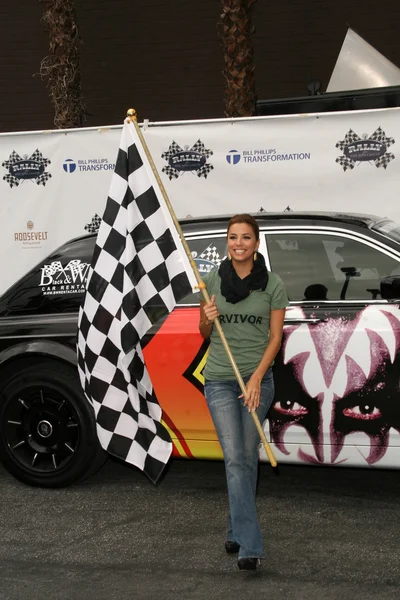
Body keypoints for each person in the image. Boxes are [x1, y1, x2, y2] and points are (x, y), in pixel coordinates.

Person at [199, 214, 288, 571]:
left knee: (246, 457)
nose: (239, 243)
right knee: (237, 457)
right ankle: (250, 546)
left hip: (258, 381)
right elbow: (205, 334)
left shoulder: (274, 285)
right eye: (233, 237)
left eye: (246, 237)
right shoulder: (212, 281)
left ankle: (236, 530)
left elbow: (276, 338)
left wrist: (255, 379)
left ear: (256, 243)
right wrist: (207, 317)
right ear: (227, 242)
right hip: (220, 379)